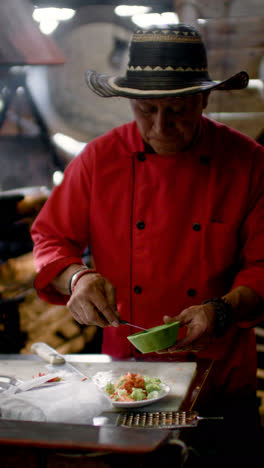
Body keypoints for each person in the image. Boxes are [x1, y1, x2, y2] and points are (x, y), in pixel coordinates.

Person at [31, 24, 264, 416]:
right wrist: (77, 278)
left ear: (204, 98)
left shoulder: (249, 163)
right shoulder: (98, 160)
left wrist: (220, 311)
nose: (159, 126)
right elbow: (50, 239)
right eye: (146, 110)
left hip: (220, 375)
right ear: (128, 101)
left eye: (176, 110)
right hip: (126, 378)